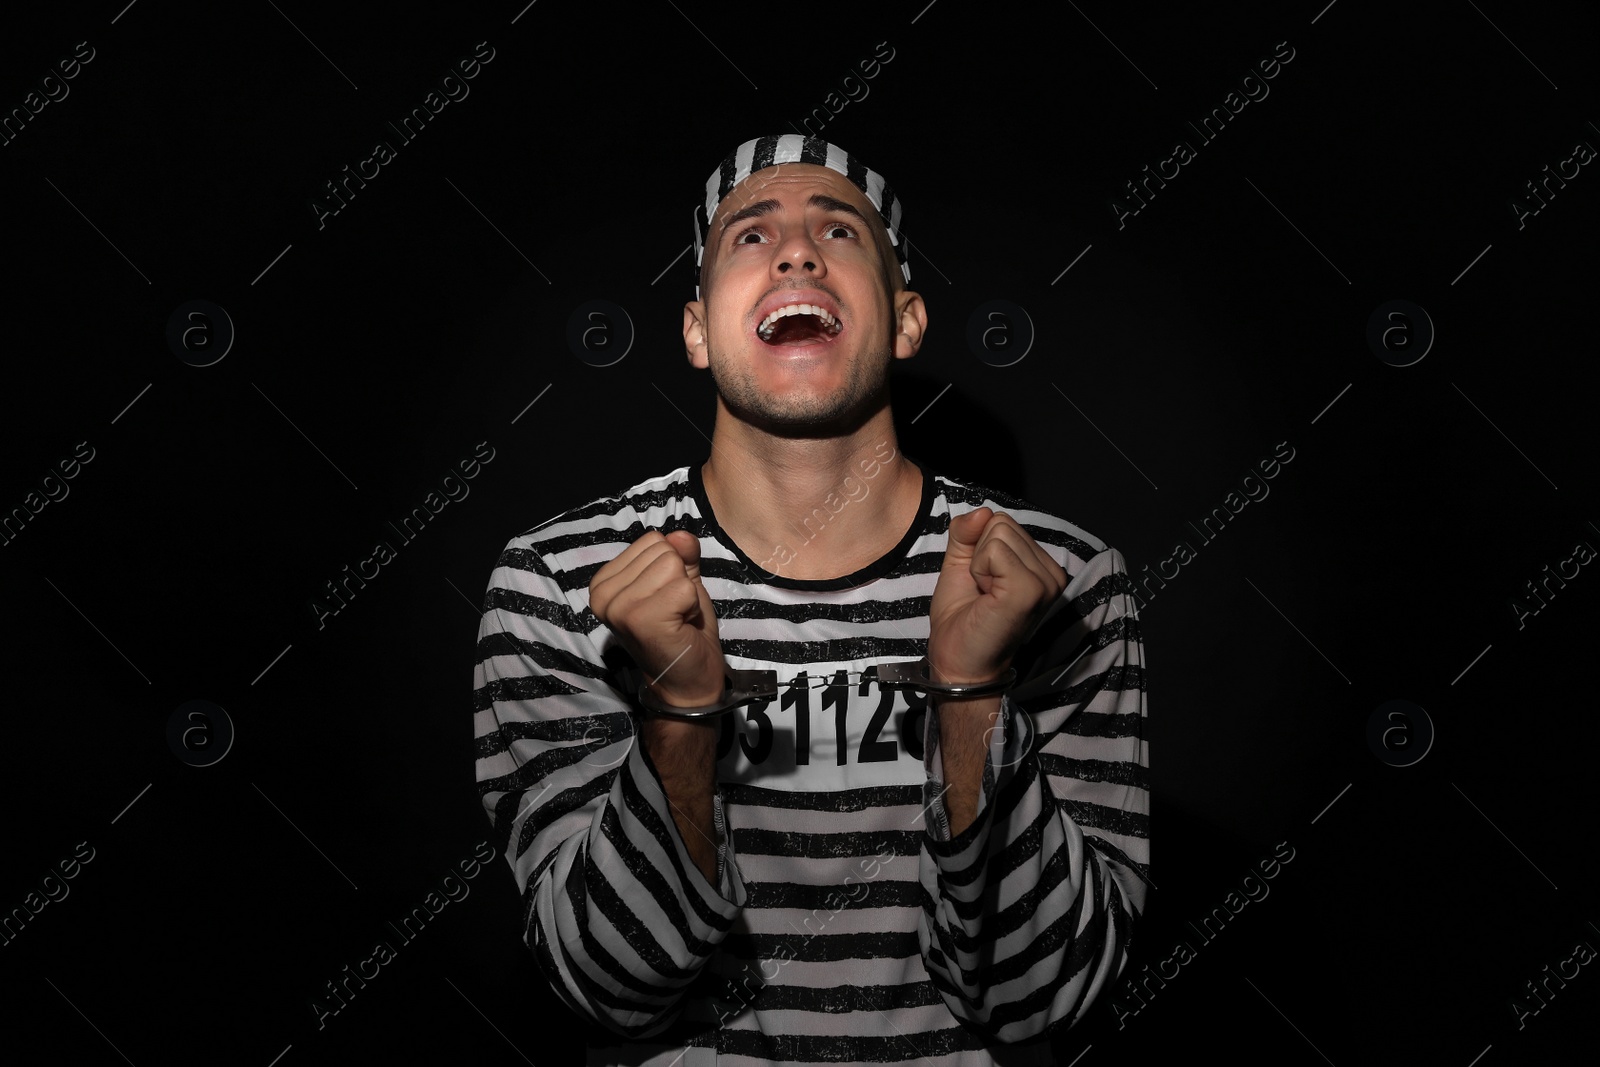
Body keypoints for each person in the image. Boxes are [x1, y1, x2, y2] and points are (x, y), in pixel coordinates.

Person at [473, 134, 1150, 1066]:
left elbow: (1043, 1000)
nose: (797, 251)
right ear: (698, 330)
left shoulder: (1062, 582)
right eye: (750, 238)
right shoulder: (558, 582)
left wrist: (970, 693)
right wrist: (679, 713)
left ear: (907, 320)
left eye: (840, 230)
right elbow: (611, 989)